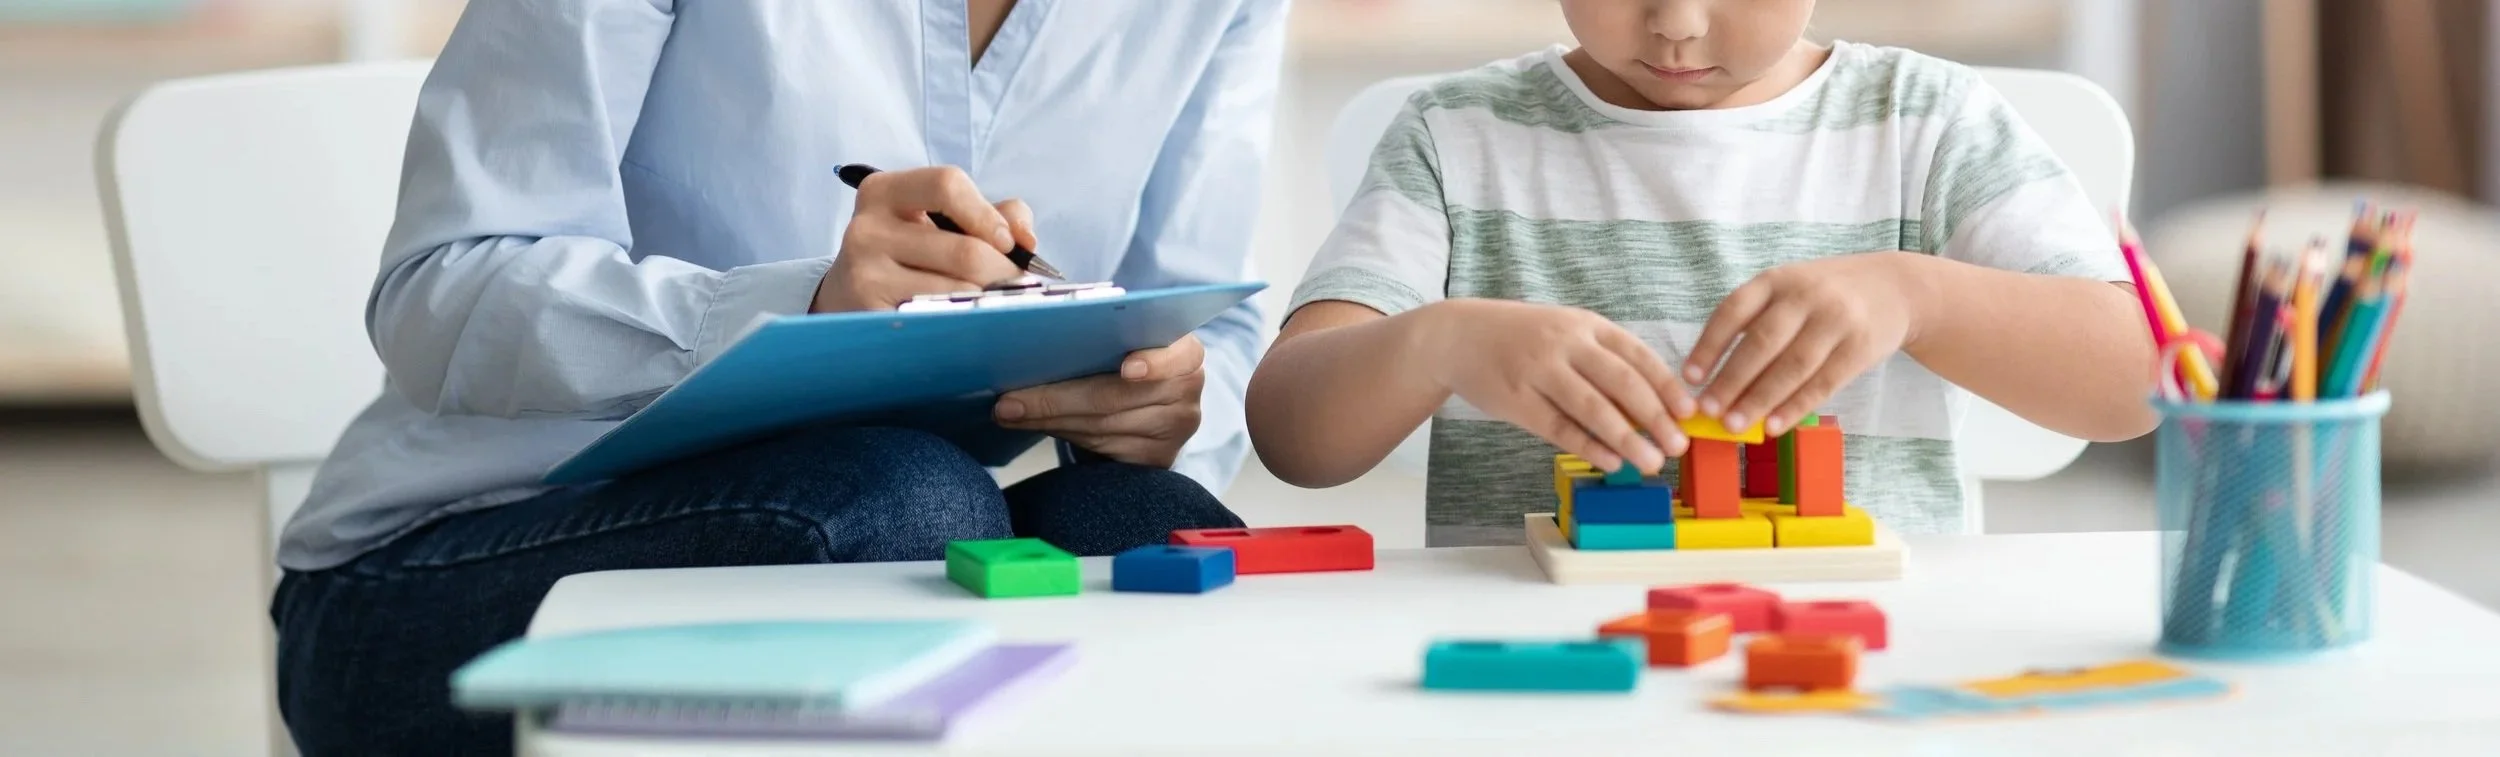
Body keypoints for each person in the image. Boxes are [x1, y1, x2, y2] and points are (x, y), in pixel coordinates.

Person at [268, 1, 1286, 753]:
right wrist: (800, 303)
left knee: (1146, 527)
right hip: (441, 580)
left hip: (881, 522)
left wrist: (1164, 399)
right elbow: (437, 294)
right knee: (904, 503)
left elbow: (1214, 316)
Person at [1245, 0, 2159, 548]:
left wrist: (1922, 295)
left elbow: (2138, 383)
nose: (1676, 23)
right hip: (1536, 657)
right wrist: (1434, 344)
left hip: (1859, 665)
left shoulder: (1929, 122)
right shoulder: (1454, 135)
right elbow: (1292, 435)